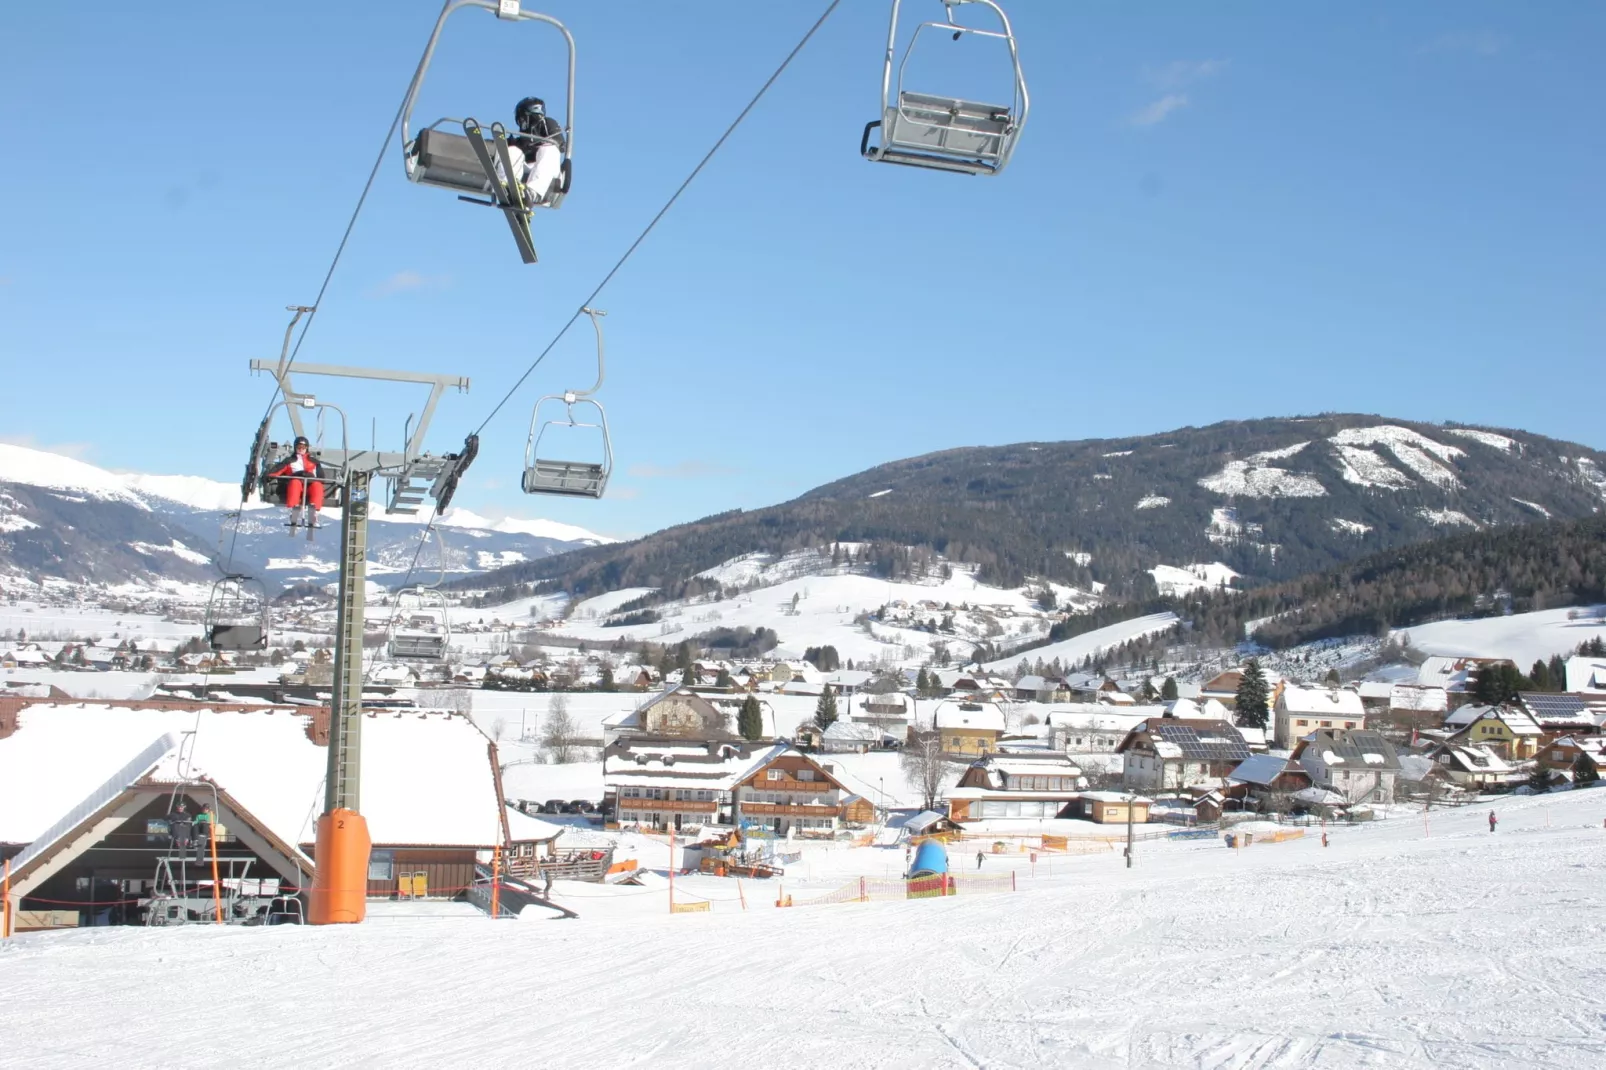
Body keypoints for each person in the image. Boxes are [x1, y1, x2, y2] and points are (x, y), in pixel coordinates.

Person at [503, 96, 565, 208]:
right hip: (527, 169)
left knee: (549, 148)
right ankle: (507, 186)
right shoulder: (519, 141)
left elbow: (560, 144)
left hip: (547, 170)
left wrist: (537, 143)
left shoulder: (547, 124)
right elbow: (499, 145)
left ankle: (531, 193)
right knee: (512, 151)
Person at [267, 436, 325, 523]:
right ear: (295, 448)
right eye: (299, 447)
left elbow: (321, 477)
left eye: (303, 447)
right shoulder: (289, 461)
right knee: (295, 482)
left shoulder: (314, 462)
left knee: (317, 485)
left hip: (309, 484)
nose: (301, 449)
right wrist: (270, 476)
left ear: (307, 448)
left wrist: (315, 478)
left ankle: (314, 511)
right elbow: (278, 469)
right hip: (296, 483)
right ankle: (295, 509)